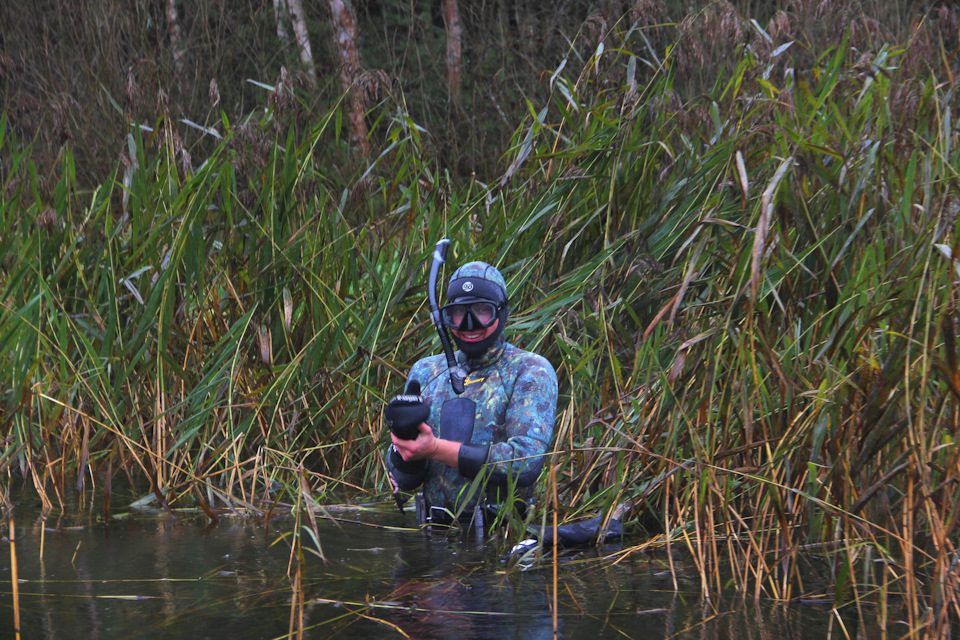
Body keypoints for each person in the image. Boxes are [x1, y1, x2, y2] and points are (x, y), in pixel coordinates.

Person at [385, 261, 558, 528]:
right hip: (432, 539)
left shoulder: (530, 370)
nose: (469, 324)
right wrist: (403, 442)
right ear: (445, 317)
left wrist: (435, 449)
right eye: (457, 313)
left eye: (482, 311)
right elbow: (403, 480)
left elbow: (525, 463)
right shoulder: (426, 371)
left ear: (502, 312)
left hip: (500, 542)